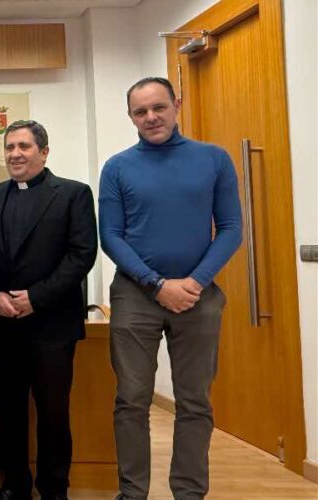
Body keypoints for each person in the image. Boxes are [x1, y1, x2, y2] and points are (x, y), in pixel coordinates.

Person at [99, 77, 242, 500]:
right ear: (131, 117)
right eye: (140, 112)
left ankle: (189, 492)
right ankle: (132, 493)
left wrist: (195, 282)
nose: (151, 117)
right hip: (134, 296)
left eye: (158, 107)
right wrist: (156, 284)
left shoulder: (213, 159)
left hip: (198, 297)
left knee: (195, 402)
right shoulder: (118, 167)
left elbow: (231, 228)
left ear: (176, 104)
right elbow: (111, 236)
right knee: (131, 400)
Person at [0, 120, 97, 500]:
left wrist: (35, 297)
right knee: (7, 412)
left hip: (52, 324)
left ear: (44, 152)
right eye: (10, 147)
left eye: (24, 147)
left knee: (53, 414)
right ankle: (13, 484)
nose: (15, 154)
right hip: (3, 323)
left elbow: (82, 256)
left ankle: (54, 489)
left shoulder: (73, 194)